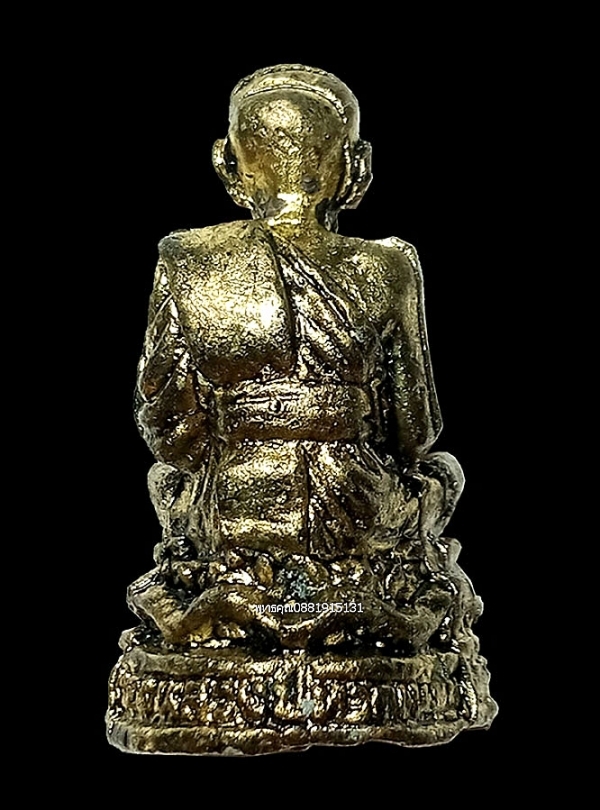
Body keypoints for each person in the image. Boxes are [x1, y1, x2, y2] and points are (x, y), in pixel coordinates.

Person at [128, 65, 466, 653]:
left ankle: (210, 601)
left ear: (226, 164)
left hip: (231, 506)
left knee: (166, 481)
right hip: (356, 506)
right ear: (356, 167)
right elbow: (414, 432)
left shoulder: (186, 258)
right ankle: (376, 608)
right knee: (445, 474)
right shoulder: (388, 267)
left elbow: (165, 426)